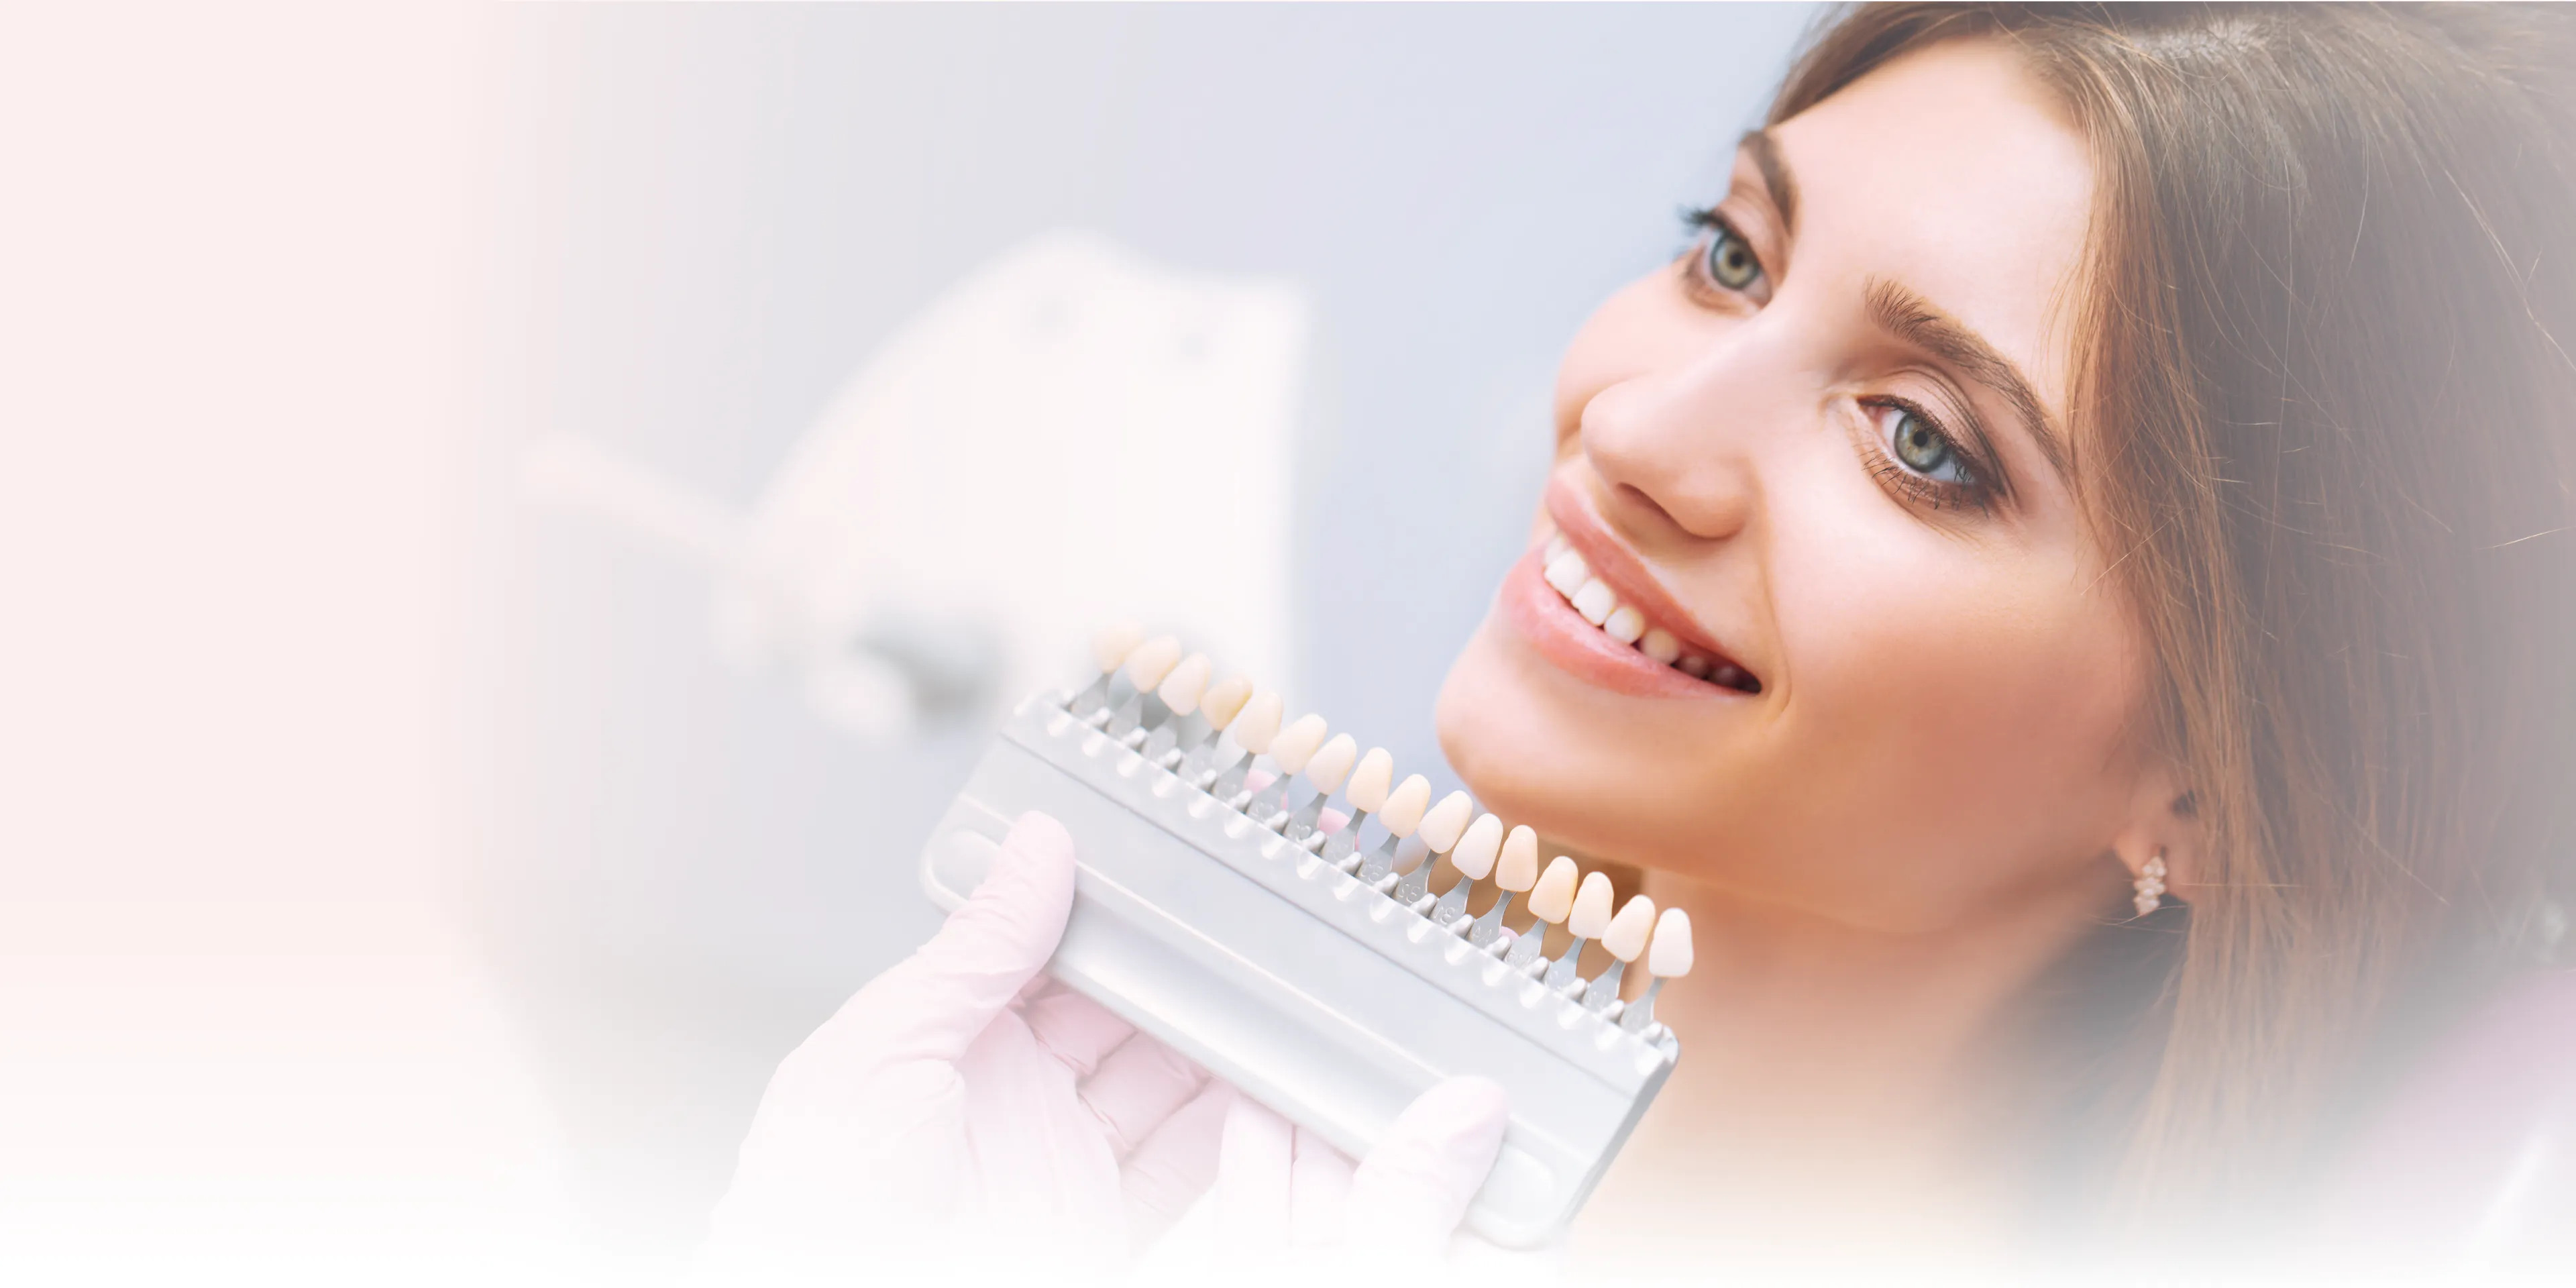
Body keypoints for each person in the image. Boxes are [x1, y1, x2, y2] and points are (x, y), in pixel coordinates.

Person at [702, 3, 2576, 1277]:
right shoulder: (1131, 1139)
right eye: (1730, 256)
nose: (1639, 429)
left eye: (1925, 442)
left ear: (2217, 791)